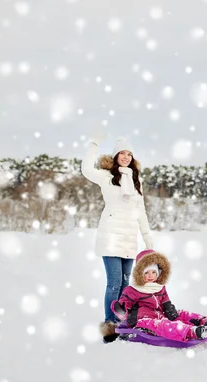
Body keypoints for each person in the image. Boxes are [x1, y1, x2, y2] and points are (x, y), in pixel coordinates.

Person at [81, 134, 153, 343]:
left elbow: (141, 212)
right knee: (113, 283)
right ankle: (110, 325)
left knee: (124, 284)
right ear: (115, 156)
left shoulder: (136, 181)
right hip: (111, 236)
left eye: (129, 153)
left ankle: (122, 323)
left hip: (129, 238)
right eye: (122, 152)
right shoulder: (106, 177)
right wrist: (93, 144)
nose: (126, 156)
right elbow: (86, 170)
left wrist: (148, 238)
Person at [112, 249, 207, 342]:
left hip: (159, 314)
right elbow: (124, 305)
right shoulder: (133, 289)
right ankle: (192, 332)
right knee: (163, 325)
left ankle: (205, 321)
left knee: (180, 313)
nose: (151, 276)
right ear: (140, 274)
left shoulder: (159, 287)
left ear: (159, 273)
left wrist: (173, 314)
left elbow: (166, 302)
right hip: (142, 320)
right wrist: (120, 309)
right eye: (146, 273)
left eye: (153, 272)